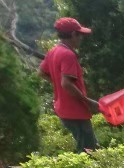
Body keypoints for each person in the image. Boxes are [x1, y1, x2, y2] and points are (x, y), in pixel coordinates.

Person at [39, 17, 101, 153]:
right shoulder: (68, 55)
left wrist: (57, 83)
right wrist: (88, 101)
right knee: (89, 151)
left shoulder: (53, 51)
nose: (81, 38)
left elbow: (42, 72)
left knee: (88, 147)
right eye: (80, 35)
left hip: (64, 109)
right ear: (73, 34)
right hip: (75, 110)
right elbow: (66, 83)